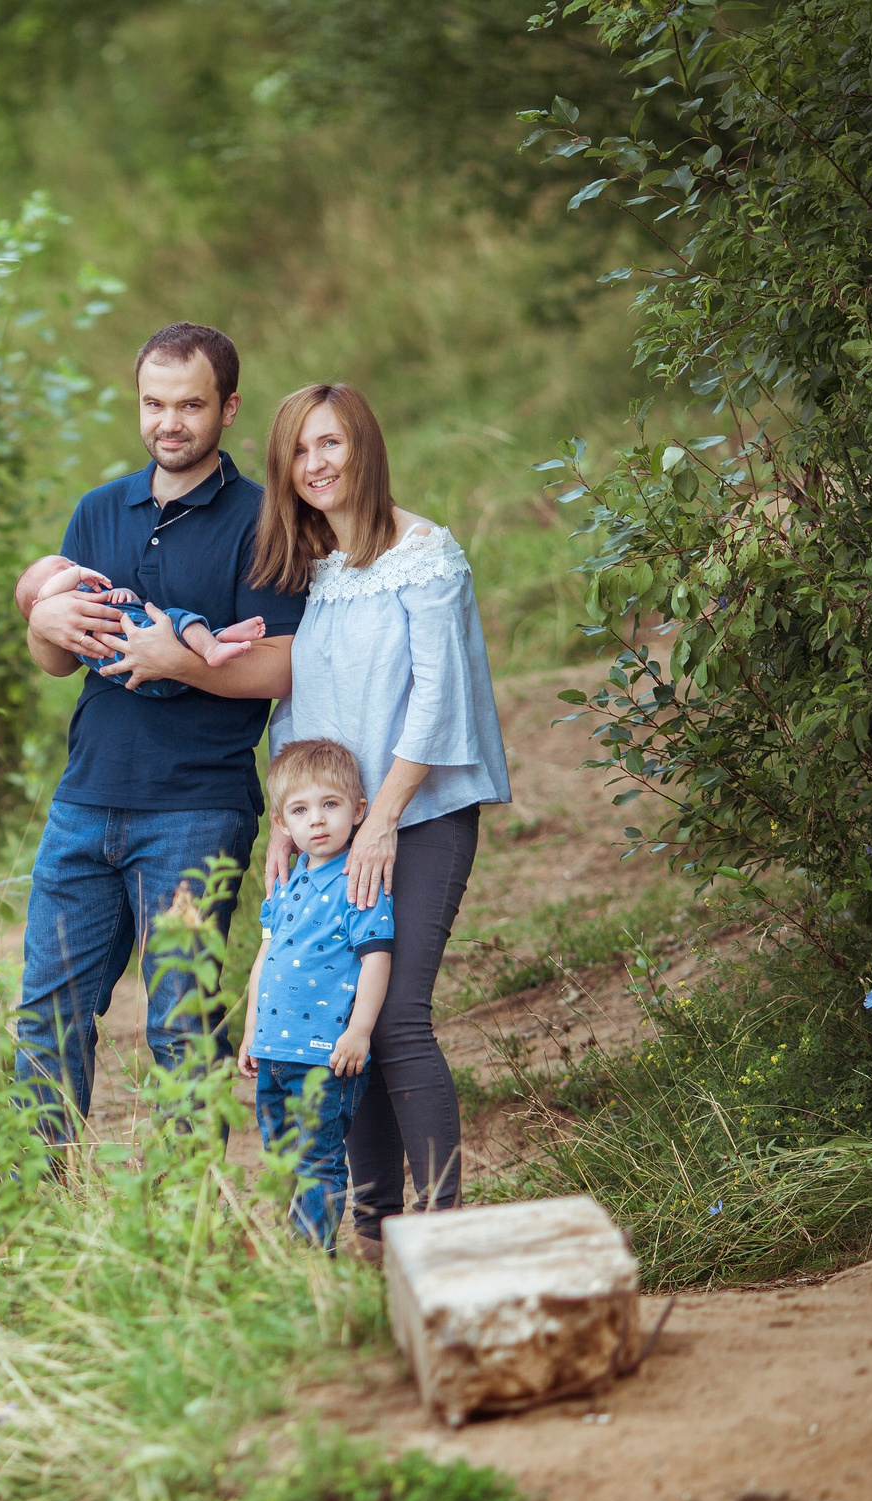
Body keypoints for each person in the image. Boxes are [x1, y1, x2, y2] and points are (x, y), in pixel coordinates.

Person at [12, 323, 307, 1163]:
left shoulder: (263, 519)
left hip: (194, 808)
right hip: (84, 799)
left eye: (189, 404)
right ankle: (44, 1197)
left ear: (228, 408)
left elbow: (282, 663)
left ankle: (187, 1216)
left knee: (180, 1017)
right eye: (153, 403)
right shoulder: (99, 510)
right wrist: (44, 621)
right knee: (47, 1012)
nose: (168, 422)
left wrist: (182, 660)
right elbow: (53, 659)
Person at [254, 381, 510, 1260]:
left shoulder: (426, 554)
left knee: (396, 1014)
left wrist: (384, 817)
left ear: (364, 446)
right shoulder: (311, 571)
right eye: (298, 450)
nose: (316, 465)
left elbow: (438, 701)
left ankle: (444, 1226)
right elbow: (297, 707)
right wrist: (285, 821)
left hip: (419, 813)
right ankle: (374, 1230)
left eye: (331, 444)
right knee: (336, 1022)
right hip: (332, 826)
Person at [235, 738, 393, 1251]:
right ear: (283, 824)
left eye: (330, 804)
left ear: (359, 811)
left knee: (317, 1160)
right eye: (301, 810)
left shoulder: (358, 881)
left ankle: (310, 1262)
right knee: (282, 1157)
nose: (317, 820)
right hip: (274, 1049)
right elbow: (265, 962)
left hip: (325, 1054)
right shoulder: (285, 885)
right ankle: (291, 1252)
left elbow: (375, 957)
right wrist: (250, 1031)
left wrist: (360, 1031)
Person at [23, 561, 267, 699]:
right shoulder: (54, 603)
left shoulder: (91, 595)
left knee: (179, 636)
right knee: (175, 619)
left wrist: (124, 595)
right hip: (137, 667)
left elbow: (132, 607)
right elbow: (45, 598)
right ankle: (214, 645)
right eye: (60, 569)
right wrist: (72, 575)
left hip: (152, 683)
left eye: (70, 565)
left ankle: (219, 638)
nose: (72, 566)